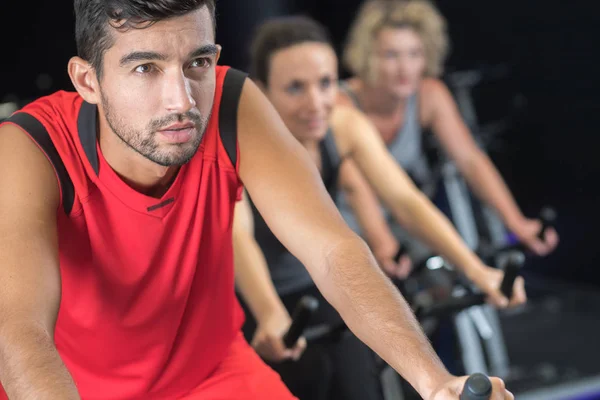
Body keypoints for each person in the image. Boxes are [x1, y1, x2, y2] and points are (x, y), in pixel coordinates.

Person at [0, 1, 515, 399]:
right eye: (145, 68)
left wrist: (434, 382)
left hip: (212, 373)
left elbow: (333, 251)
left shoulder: (231, 105)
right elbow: (20, 330)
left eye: (196, 62)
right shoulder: (29, 147)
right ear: (88, 80)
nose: (181, 101)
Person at [234, 15, 524, 400]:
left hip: (325, 286)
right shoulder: (244, 145)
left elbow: (406, 201)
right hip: (260, 297)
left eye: (324, 84)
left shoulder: (343, 125)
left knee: (361, 382)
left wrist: (475, 270)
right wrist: (269, 311)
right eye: (294, 88)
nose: (316, 102)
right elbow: (236, 238)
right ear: (262, 94)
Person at [337, 0, 559, 264]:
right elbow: (354, 187)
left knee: (448, 279)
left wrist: (517, 223)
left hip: (399, 222)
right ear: (368, 56)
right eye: (391, 55)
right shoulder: (340, 104)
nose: (405, 68)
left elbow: (470, 160)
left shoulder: (429, 95)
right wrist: (383, 243)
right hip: (342, 228)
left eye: (414, 53)